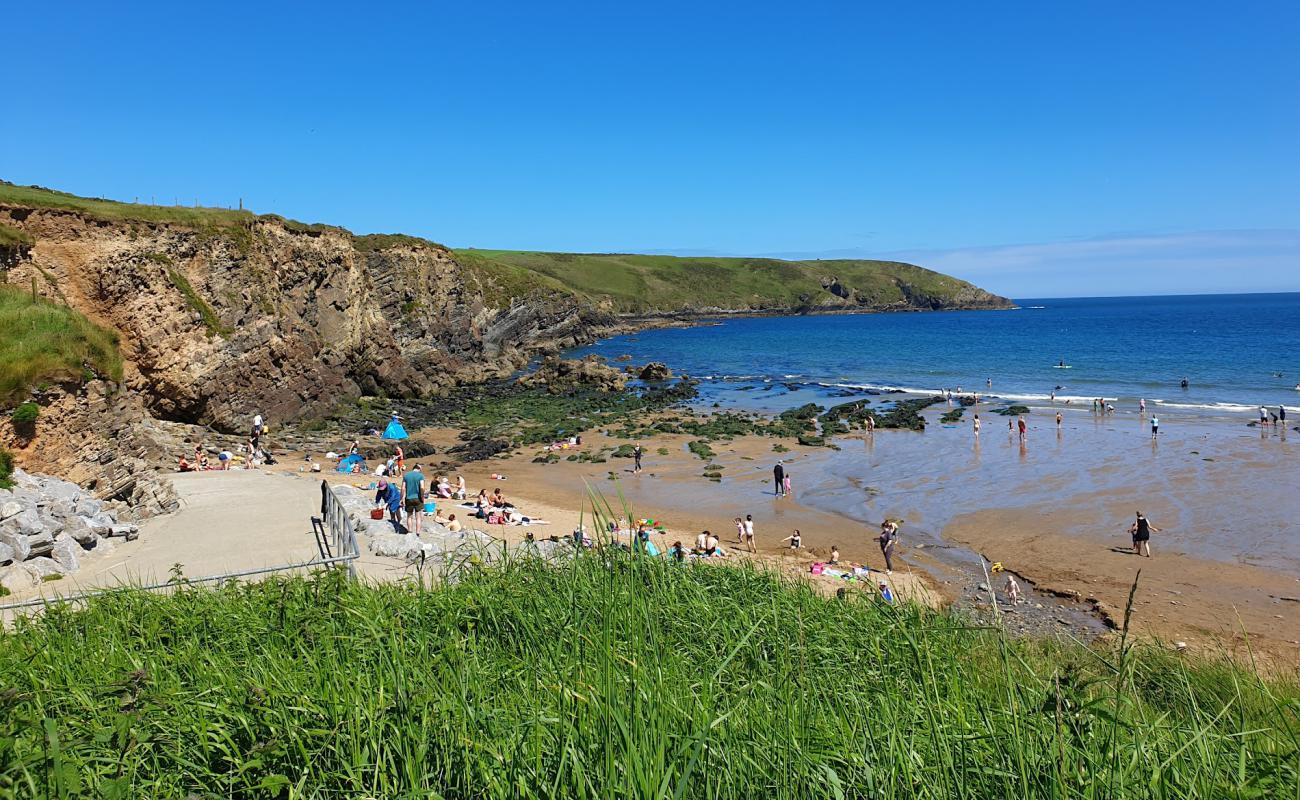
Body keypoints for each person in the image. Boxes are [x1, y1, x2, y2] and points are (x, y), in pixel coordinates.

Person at [402, 464, 425, 534]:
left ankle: (410, 531)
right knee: (418, 517)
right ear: (419, 469)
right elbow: (422, 487)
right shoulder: (420, 476)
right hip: (418, 498)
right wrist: (422, 497)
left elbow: (403, 488)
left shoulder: (406, 475)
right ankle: (417, 533)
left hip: (408, 498)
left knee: (409, 516)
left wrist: (401, 499)